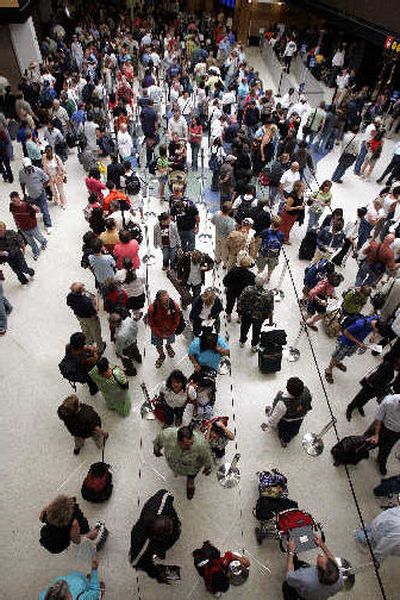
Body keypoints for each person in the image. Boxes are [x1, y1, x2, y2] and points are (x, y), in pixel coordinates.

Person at [129, 489, 181, 582]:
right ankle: (160, 552)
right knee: (159, 550)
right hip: (154, 545)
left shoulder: (159, 504)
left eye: (169, 522)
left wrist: (174, 521)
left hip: (164, 532)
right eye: (169, 531)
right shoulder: (140, 541)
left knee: (175, 532)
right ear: (156, 536)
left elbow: (166, 493)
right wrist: (156, 574)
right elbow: (135, 562)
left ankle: (161, 550)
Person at [153, 425, 213, 499]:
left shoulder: (201, 444)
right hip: (173, 463)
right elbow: (158, 441)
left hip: (191, 468)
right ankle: (176, 472)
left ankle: (190, 483)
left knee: (191, 476)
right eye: (186, 445)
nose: (190, 447)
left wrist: (208, 467)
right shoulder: (167, 434)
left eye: (191, 443)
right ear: (178, 441)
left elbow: (207, 457)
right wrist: (157, 449)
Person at [324, 315, 384, 384]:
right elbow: (346, 332)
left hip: (354, 343)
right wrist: (359, 343)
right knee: (336, 356)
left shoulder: (377, 319)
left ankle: (337, 363)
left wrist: (374, 335)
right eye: (377, 331)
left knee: (343, 355)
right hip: (346, 342)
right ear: (376, 326)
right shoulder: (360, 324)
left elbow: (376, 330)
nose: (377, 333)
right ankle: (329, 369)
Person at [39, 495, 104, 554]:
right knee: (84, 529)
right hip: (60, 544)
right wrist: (85, 534)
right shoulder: (73, 523)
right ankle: (91, 534)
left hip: (46, 536)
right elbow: (77, 541)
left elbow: (41, 518)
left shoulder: (46, 515)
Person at [262, 377, 312, 447]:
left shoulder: (282, 403)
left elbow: (275, 418)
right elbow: (309, 404)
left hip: (287, 421)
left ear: (287, 388)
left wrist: (268, 424)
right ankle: (286, 441)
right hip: (300, 417)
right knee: (293, 431)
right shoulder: (307, 391)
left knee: (284, 431)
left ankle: (283, 440)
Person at [238, 274, 274, 351]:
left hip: (247, 314)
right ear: (264, 282)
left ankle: (242, 341)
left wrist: (240, 313)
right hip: (259, 317)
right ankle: (254, 345)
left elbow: (240, 301)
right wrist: (270, 320)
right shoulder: (269, 294)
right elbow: (270, 308)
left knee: (244, 328)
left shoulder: (247, 289)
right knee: (257, 331)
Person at [66, 282, 106, 352]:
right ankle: (100, 348)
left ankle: (88, 344)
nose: (84, 288)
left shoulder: (70, 296)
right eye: (83, 287)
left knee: (85, 330)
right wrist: (96, 299)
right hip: (90, 318)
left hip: (79, 316)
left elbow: (68, 304)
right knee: (96, 332)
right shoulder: (86, 302)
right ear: (80, 290)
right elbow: (96, 310)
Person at [367, 393, 400, 475]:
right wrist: (376, 435)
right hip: (383, 428)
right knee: (370, 442)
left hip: (397, 433)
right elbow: (378, 419)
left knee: (387, 449)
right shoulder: (389, 402)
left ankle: (381, 461)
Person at [9, 191, 47, 260]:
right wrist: (17, 224)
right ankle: (36, 252)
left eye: (14, 200)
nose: (13, 202)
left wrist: (34, 207)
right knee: (31, 242)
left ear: (18, 198)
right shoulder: (12, 206)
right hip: (23, 229)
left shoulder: (27, 205)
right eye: (12, 201)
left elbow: (38, 210)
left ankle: (44, 242)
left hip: (33, 227)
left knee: (39, 238)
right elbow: (14, 215)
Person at [147, 290, 181, 368]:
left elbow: (177, 319)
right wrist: (160, 333)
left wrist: (171, 330)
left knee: (170, 340)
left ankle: (168, 346)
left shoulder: (174, 306)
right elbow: (151, 323)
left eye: (168, 299)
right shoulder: (152, 309)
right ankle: (161, 355)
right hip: (157, 331)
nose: (167, 302)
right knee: (158, 345)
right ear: (159, 300)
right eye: (165, 300)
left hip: (170, 330)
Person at [39, 560, 104, 600]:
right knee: (96, 593)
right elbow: (95, 591)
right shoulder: (83, 598)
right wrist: (94, 570)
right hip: (87, 588)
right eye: (67, 591)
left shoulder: (43, 596)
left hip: (80, 579)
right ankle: (101, 592)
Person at [19, 157, 52, 233]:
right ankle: (33, 225)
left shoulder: (38, 171)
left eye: (29, 166)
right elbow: (22, 183)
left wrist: (42, 187)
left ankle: (48, 225)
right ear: (24, 166)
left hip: (41, 194)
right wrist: (24, 193)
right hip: (31, 195)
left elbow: (47, 179)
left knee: (44, 209)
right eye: (27, 167)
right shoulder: (21, 173)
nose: (29, 168)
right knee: (32, 210)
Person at [223, 255, 255, 322]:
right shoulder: (251, 275)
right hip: (243, 293)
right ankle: (240, 317)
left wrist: (227, 286)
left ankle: (228, 315)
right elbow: (253, 286)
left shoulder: (233, 271)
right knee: (241, 305)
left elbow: (225, 281)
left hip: (232, 291)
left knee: (230, 303)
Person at [109, 312, 142, 377]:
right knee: (135, 351)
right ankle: (138, 359)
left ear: (115, 323)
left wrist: (119, 354)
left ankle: (131, 371)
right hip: (133, 341)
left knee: (126, 361)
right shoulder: (128, 320)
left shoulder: (119, 335)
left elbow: (119, 346)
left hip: (126, 348)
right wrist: (133, 337)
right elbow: (136, 329)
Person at [258, 215, 284, 281]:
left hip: (263, 254)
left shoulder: (265, 231)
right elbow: (281, 244)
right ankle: (268, 277)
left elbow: (260, 242)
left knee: (260, 268)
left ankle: (259, 277)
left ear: (271, 223)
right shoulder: (281, 234)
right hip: (274, 255)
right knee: (271, 268)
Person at [210, 202, 236, 267]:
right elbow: (231, 232)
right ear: (229, 211)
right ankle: (225, 264)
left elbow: (212, 221)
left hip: (217, 235)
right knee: (225, 251)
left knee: (217, 247)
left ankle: (217, 259)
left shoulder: (216, 213)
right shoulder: (230, 221)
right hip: (225, 238)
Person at [42, 144, 67, 209]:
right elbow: (44, 167)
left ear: (52, 151)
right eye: (46, 151)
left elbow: (62, 166)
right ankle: (56, 200)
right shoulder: (44, 157)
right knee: (53, 190)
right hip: (50, 177)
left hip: (58, 176)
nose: (48, 153)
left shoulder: (56, 157)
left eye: (49, 151)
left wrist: (65, 176)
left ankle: (63, 203)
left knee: (60, 190)